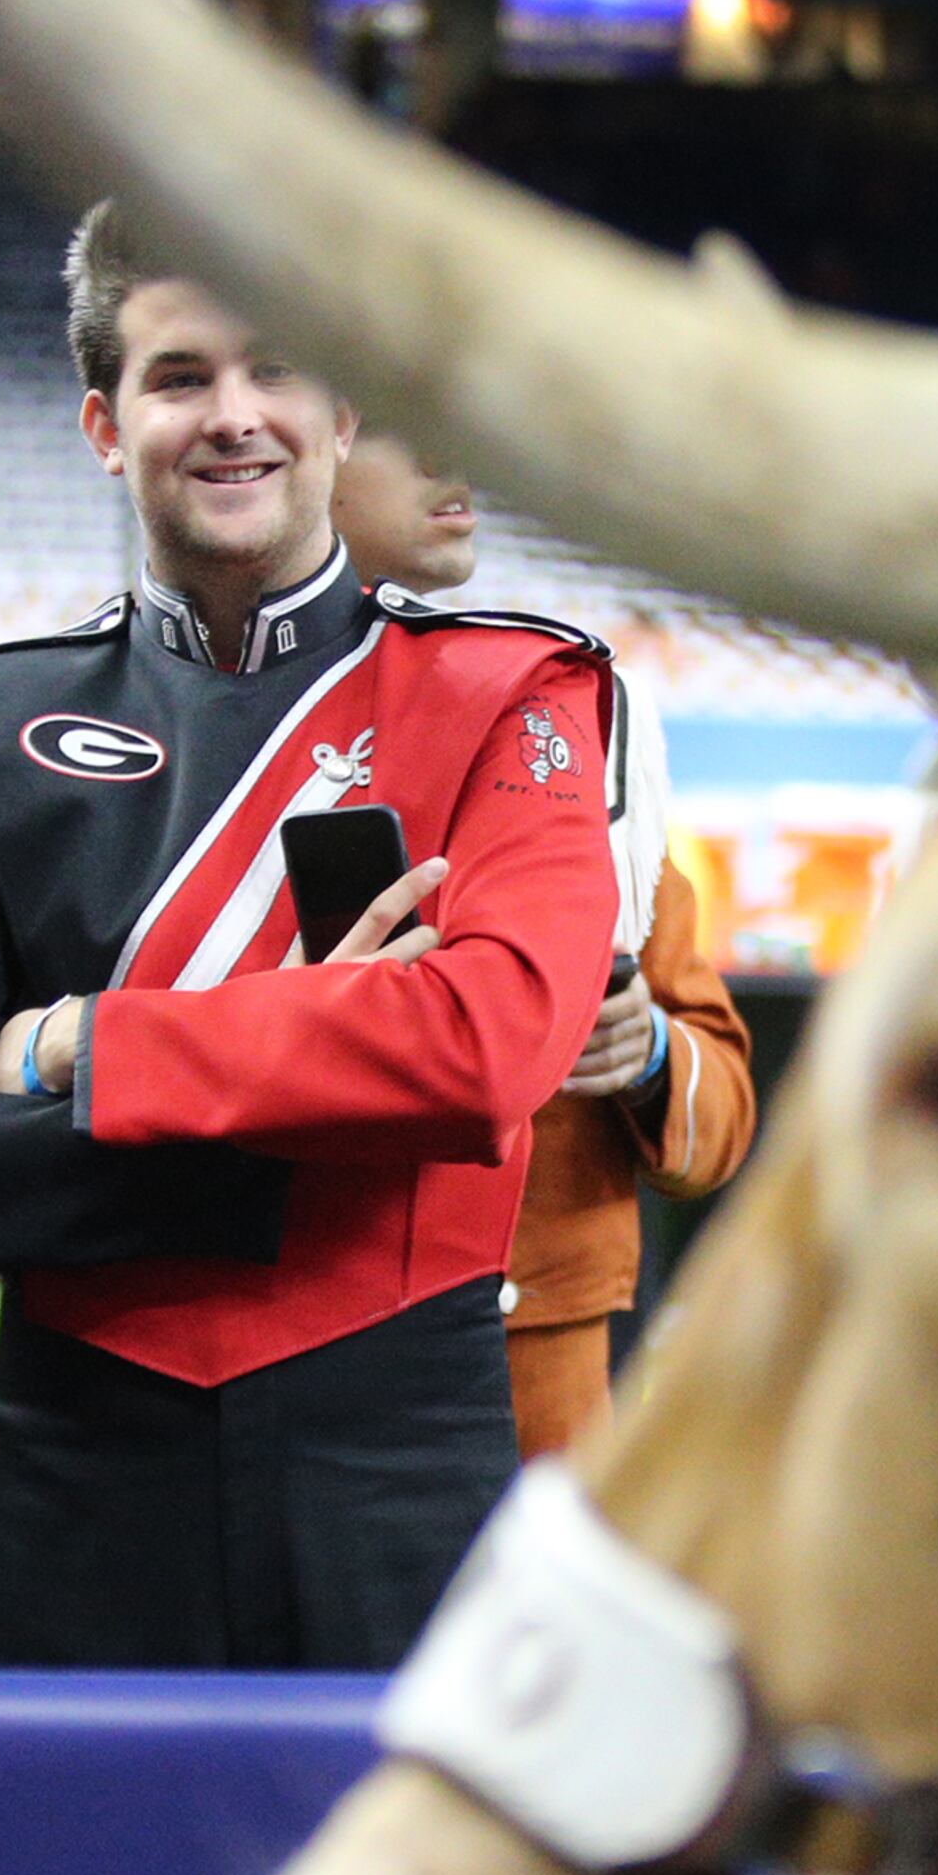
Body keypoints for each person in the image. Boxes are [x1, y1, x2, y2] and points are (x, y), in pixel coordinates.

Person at [0, 205, 616, 1671]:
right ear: (105, 425)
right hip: (77, 1478)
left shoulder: (515, 696)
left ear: (342, 407)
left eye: (275, 370)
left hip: (402, 1477)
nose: (233, 416)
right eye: (179, 377)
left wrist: (78, 1043)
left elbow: (485, 1048)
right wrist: (321, 1102)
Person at [329, 427, 756, 1456]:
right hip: (303, 1323)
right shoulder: (196, 717)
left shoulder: (578, 720)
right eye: (399, 427)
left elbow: (725, 1111)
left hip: (535, 1354)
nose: (456, 461)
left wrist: (651, 1053)